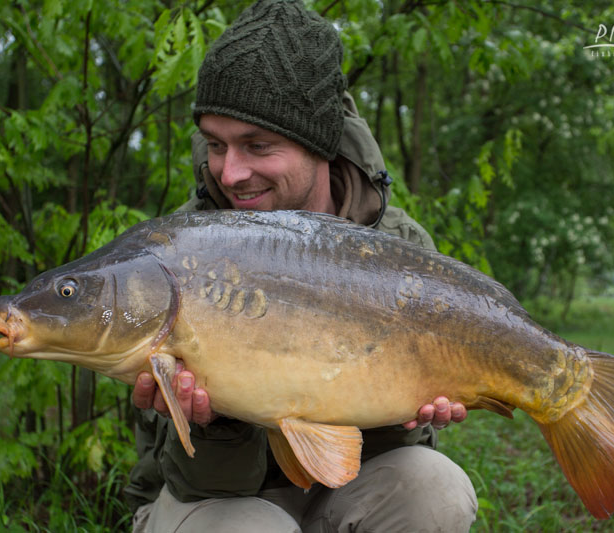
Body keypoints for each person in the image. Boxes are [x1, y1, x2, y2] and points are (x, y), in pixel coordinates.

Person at [125, 1, 478, 531]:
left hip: (344, 490)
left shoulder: (396, 243)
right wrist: (215, 416)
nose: (230, 172)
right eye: (216, 145)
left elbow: (394, 448)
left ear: (319, 145)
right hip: (216, 500)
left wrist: (417, 406)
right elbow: (193, 480)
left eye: (257, 145)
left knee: (436, 488)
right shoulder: (175, 257)